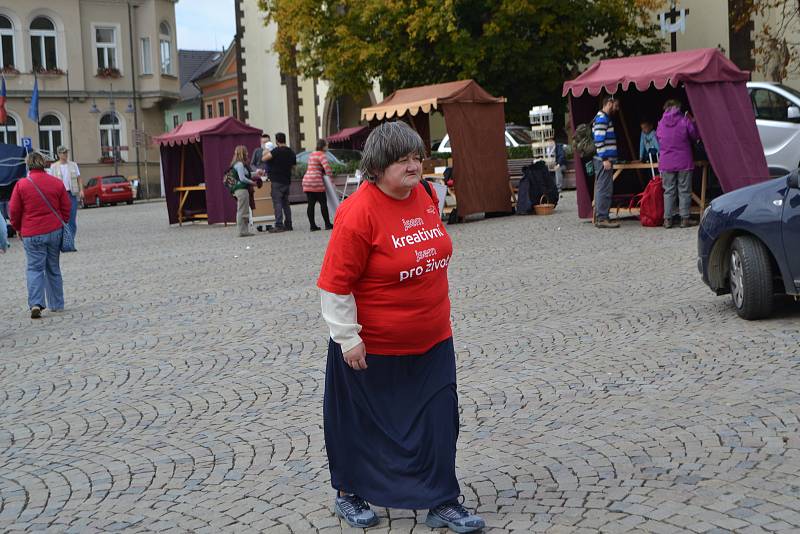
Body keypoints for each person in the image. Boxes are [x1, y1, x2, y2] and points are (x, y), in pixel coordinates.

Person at [317, 121, 485, 533]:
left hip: (432, 340)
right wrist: (348, 339)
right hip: (372, 348)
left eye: (417, 157)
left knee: (440, 419)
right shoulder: (357, 212)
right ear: (377, 166)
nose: (414, 166)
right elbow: (336, 283)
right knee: (363, 426)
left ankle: (442, 500)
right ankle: (350, 492)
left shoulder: (427, 194)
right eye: (403, 159)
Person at [9, 151, 71, 318]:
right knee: (53, 268)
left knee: (34, 268)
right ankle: (57, 304)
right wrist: (61, 222)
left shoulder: (21, 184)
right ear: (44, 164)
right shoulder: (56, 183)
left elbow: (13, 211)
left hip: (31, 232)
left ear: (28, 165)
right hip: (54, 231)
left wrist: (17, 227)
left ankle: (36, 303)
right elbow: (67, 208)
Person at [657, 99, 700, 228]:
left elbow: (658, 139)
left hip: (666, 161)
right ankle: (684, 219)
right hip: (684, 160)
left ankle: (667, 220)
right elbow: (694, 136)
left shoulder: (660, 123)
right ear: (678, 107)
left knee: (668, 191)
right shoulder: (684, 120)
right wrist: (693, 122)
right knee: (684, 190)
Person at [592, 96, 620, 228]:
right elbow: (598, 140)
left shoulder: (602, 118)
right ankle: (602, 217)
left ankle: (602, 216)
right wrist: (604, 158)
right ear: (610, 103)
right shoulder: (602, 119)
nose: (617, 109)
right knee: (604, 188)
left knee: (603, 188)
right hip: (604, 160)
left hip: (605, 159)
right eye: (616, 106)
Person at [48, 146, 82, 242]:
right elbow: (50, 181)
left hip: (71, 194)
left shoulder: (73, 165)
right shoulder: (53, 166)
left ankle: (70, 240)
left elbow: (79, 178)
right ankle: (62, 240)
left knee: (72, 218)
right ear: (58, 154)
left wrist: (81, 190)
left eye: (66, 152)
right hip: (59, 195)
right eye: (63, 153)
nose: (65, 155)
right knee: (60, 218)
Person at [263, 132, 296, 232]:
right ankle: (289, 224)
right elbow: (294, 167)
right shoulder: (291, 152)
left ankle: (279, 225)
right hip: (286, 180)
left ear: (277, 141)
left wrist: (266, 150)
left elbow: (264, 158)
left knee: (277, 203)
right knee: (286, 203)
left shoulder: (276, 151)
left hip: (277, 180)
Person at [302, 139, 334, 231]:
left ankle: (312, 226)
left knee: (311, 204)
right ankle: (327, 224)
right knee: (323, 203)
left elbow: (314, 166)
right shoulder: (322, 155)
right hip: (316, 181)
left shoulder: (312, 154)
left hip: (307, 180)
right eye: (327, 145)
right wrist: (331, 180)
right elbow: (327, 168)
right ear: (323, 146)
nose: (327, 147)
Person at [230, 145, 255, 237]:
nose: (248, 153)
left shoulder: (238, 164)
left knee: (243, 210)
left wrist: (257, 173)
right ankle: (242, 231)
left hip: (240, 190)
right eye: (246, 152)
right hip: (241, 190)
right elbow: (242, 178)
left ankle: (244, 230)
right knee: (242, 211)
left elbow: (247, 174)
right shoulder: (240, 164)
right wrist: (252, 182)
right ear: (242, 153)